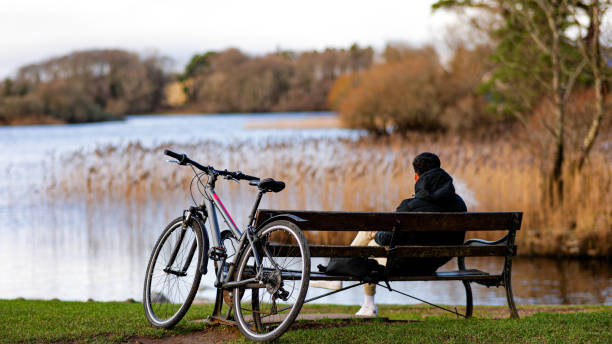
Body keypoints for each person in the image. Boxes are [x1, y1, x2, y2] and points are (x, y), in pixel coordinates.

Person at [311, 152, 468, 316]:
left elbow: (389, 238)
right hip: (434, 264)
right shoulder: (459, 203)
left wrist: (375, 233)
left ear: (416, 177)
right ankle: (366, 305)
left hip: (404, 265)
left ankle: (341, 279)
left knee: (370, 241)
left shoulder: (410, 206)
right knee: (372, 243)